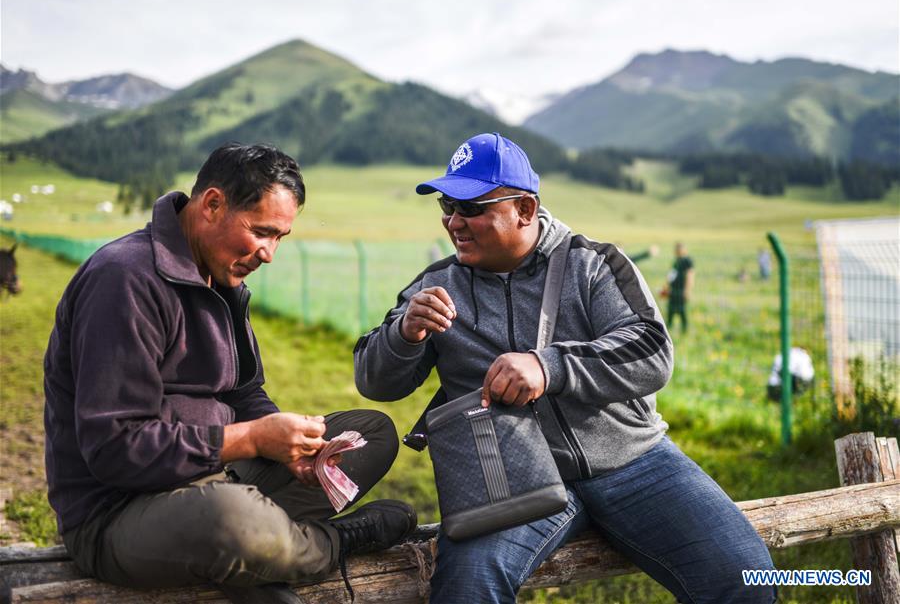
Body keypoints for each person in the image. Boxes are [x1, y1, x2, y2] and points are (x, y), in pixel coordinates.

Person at [354, 133, 775, 604]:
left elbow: (652, 350)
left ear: (526, 210)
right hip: (510, 482)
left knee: (747, 578)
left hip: (635, 463)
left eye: (471, 208)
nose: (454, 222)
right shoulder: (432, 286)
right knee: (466, 589)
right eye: (447, 205)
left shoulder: (594, 264)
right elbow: (374, 382)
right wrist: (403, 336)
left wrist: (547, 365)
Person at [43, 143, 416, 600]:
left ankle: (264, 541)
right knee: (229, 519)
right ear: (213, 204)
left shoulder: (223, 274)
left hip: (222, 477)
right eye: (262, 231)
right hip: (120, 511)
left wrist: (294, 450)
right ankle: (331, 542)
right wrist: (252, 439)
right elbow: (115, 447)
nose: (269, 253)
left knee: (371, 434)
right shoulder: (123, 281)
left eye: (281, 237)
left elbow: (244, 392)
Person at [665, 241, 694, 333]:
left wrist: (687, 290)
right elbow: (671, 276)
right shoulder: (676, 261)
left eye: (679, 249)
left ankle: (684, 331)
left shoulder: (687, 261)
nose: (677, 251)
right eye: (676, 249)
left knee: (682, 311)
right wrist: (666, 288)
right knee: (670, 311)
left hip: (681, 290)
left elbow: (690, 276)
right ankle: (668, 330)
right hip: (673, 290)